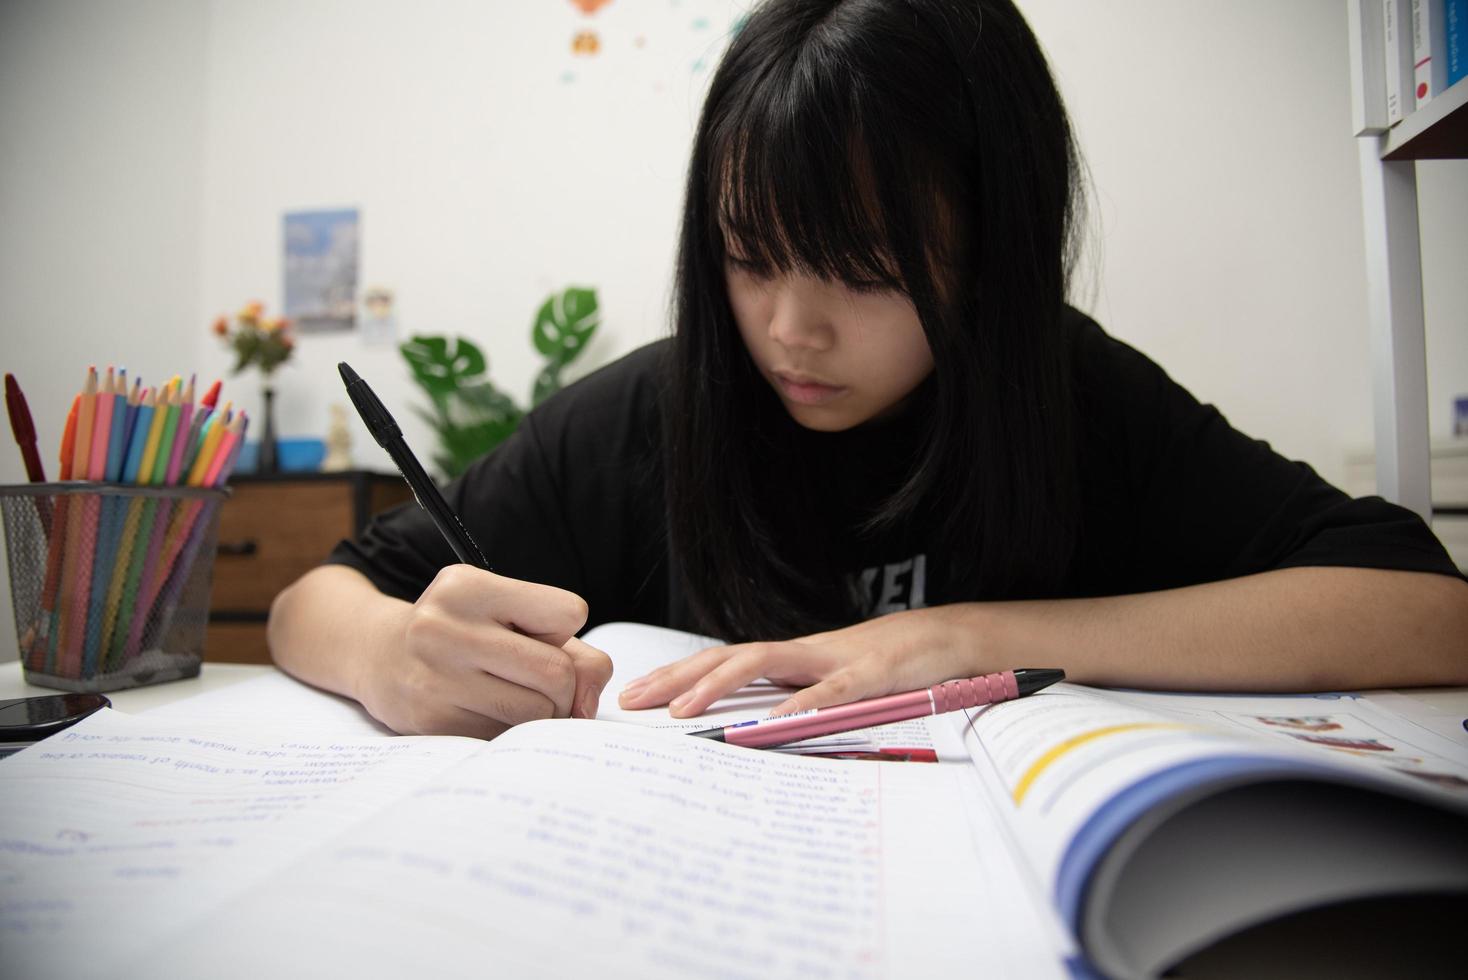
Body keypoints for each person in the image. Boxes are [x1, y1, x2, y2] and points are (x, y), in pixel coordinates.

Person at [268, 0, 1468, 740]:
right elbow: (314, 598)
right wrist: (388, 655)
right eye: (749, 258)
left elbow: (1428, 609)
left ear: (990, 248)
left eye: (866, 269)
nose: (791, 328)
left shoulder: (1065, 395)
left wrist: (964, 636)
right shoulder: (654, 411)